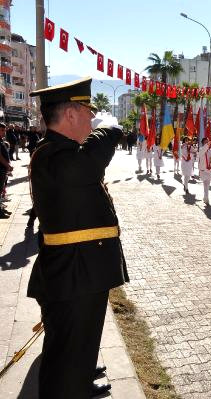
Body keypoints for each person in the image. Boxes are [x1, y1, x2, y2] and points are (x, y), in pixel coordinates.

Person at [28, 77, 128, 398]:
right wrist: (109, 129)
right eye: (88, 112)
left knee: (80, 340)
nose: (91, 117)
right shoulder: (52, 154)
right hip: (73, 271)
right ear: (70, 114)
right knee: (66, 352)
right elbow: (89, 164)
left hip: (81, 269)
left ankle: (81, 378)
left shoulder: (64, 151)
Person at [0, 123, 13, 219]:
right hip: (0, 169)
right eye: (1, 130)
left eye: (4, 130)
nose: (4, 132)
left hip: (2, 169)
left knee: (1, 191)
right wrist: (7, 165)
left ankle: (0, 209)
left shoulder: (1, 140)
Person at [197, 137, 211, 205]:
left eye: (208, 142)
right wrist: (208, 144)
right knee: (205, 184)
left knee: (208, 184)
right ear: (203, 143)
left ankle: (205, 197)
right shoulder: (201, 149)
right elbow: (204, 150)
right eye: (206, 142)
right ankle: (206, 197)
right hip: (203, 169)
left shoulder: (210, 150)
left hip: (209, 169)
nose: (207, 143)